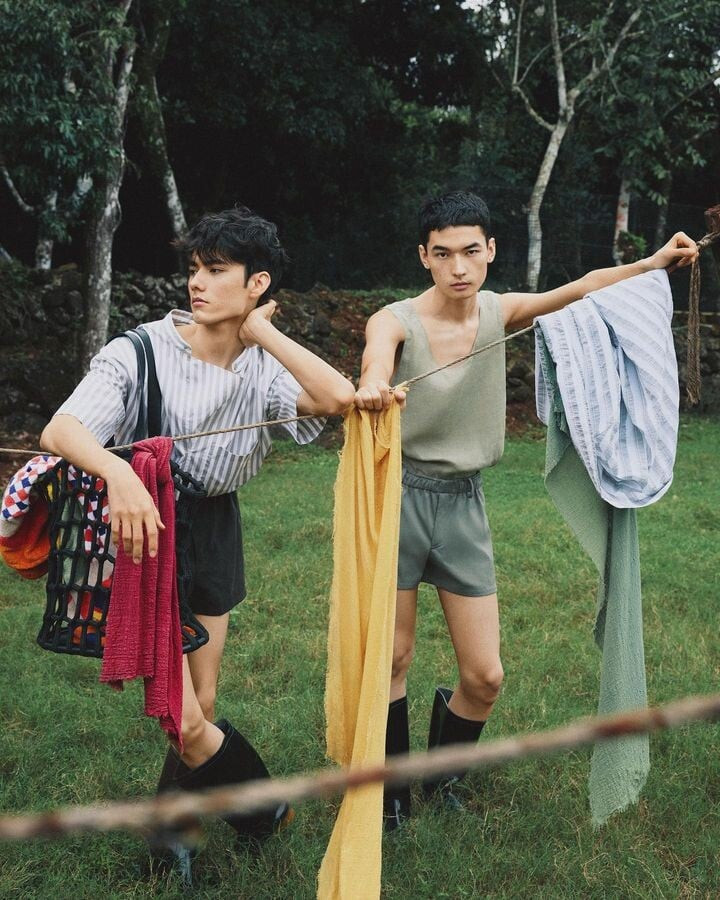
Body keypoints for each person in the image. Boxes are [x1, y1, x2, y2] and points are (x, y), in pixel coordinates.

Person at [354, 189, 698, 829]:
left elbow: (584, 287)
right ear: (424, 257)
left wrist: (652, 263)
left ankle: (441, 777)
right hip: (396, 499)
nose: (458, 267)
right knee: (393, 657)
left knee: (485, 676)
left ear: (490, 251)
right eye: (443, 254)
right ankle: (391, 795)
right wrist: (374, 383)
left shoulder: (498, 311)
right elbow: (377, 355)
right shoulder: (395, 319)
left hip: (464, 505)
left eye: (470, 251)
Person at [40, 206, 355, 881]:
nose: (197, 283)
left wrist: (263, 332)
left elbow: (338, 399)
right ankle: (264, 809)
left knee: (202, 705)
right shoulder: (141, 350)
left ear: (257, 283)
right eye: (194, 269)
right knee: (185, 721)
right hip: (142, 529)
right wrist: (121, 473)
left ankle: (169, 835)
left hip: (213, 527)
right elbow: (62, 431)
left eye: (216, 270)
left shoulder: (263, 366)